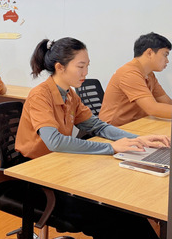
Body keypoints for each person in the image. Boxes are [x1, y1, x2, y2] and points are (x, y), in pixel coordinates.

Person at [16, 37, 169, 239]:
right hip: (35, 175)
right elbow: (55, 141)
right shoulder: (41, 95)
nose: (86, 73)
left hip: (61, 166)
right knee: (109, 216)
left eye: (87, 66)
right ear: (60, 67)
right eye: (80, 66)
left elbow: (97, 126)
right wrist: (111, 148)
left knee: (124, 210)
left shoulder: (70, 94)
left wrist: (139, 139)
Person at [99, 32, 172, 126]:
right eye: (165, 55)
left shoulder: (150, 75)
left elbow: (167, 102)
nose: (167, 61)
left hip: (136, 124)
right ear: (150, 53)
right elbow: (152, 109)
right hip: (115, 128)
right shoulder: (129, 73)